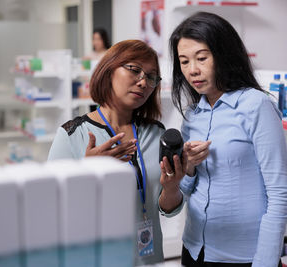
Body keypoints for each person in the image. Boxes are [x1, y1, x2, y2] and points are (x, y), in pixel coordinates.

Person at [48, 39, 187, 266]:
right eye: (134, 69)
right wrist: (84, 171)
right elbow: (51, 212)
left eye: (151, 77)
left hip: (150, 257)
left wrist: (172, 187)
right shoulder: (72, 135)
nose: (143, 82)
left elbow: (166, 209)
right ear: (109, 70)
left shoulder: (156, 133)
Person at [170, 12, 287, 267]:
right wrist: (188, 167)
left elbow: (279, 192)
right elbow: (186, 190)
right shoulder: (192, 114)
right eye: (184, 61)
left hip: (244, 257)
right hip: (194, 250)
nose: (193, 70)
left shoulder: (257, 105)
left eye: (201, 58)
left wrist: (266, 262)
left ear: (224, 54)